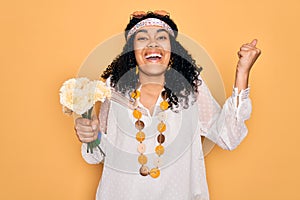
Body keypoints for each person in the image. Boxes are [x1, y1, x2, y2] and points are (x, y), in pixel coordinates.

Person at [74, 10, 261, 200]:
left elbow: (228, 136)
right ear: (132, 51)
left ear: (172, 49)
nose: (153, 43)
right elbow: (101, 153)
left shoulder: (191, 88)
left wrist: (242, 73)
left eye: (161, 37)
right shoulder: (114, 87)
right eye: (142, 38)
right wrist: (92, 136)